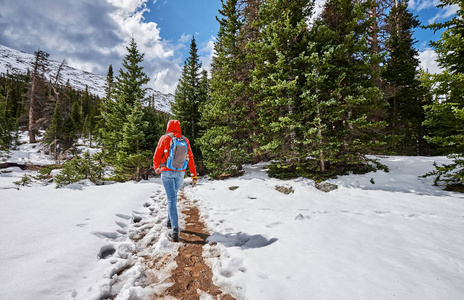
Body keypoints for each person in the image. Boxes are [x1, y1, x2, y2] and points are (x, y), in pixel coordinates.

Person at [153, 120, 197, 242]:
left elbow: (157, 154)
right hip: (180, 173)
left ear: (168, 127)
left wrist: (157, 167)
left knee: (171, 199)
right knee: (173, 197)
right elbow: (191, 158)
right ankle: (169, 221)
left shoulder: (165, 138)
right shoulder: (185, 140)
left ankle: (174, 230)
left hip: (167, 171)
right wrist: (193, 175)